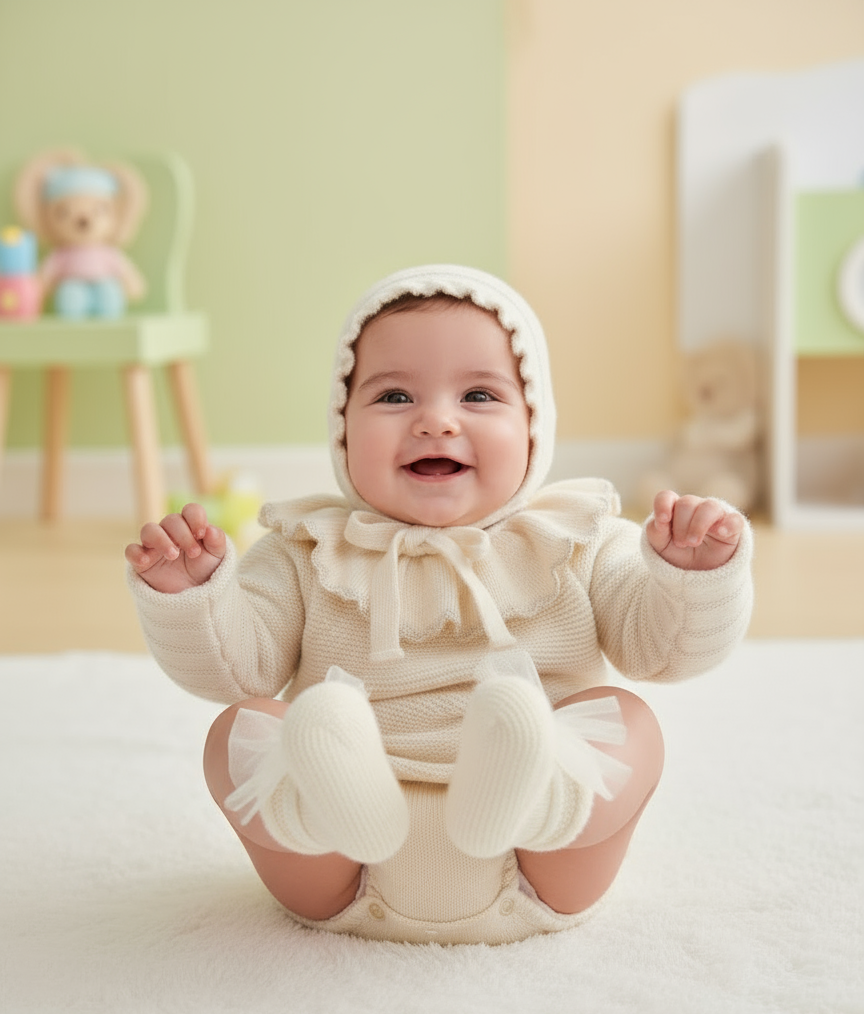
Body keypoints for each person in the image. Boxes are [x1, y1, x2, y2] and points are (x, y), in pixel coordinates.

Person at [125, 264, 753, 945]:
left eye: (479, 395)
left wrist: (691, 580)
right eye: (394, 396)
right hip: (341, 868)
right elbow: (237, 671)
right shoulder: (308, 549)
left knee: (632, 723)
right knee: (238, 730)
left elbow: (660, 653)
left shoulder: (575, 538)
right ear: (341, 429)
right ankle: (335, 809)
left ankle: (537, 796)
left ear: (535, 425)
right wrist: (193, 598)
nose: (436, 421)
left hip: (541, 862)